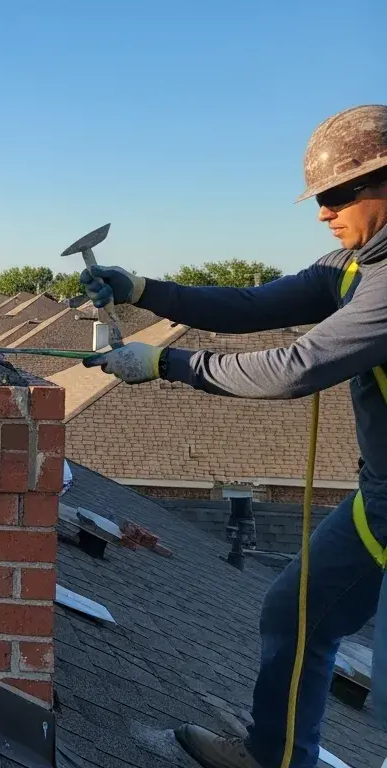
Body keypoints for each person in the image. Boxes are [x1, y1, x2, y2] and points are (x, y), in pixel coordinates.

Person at [81, 104, 387, 768]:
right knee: (295, 612)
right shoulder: (354, 267)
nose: (323, 212)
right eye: (320, 197)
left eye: (338, 193)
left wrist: (167, 364)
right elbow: (252, 305)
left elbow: (295, 368)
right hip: (379, 494)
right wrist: (141, 288)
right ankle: (274, 756)